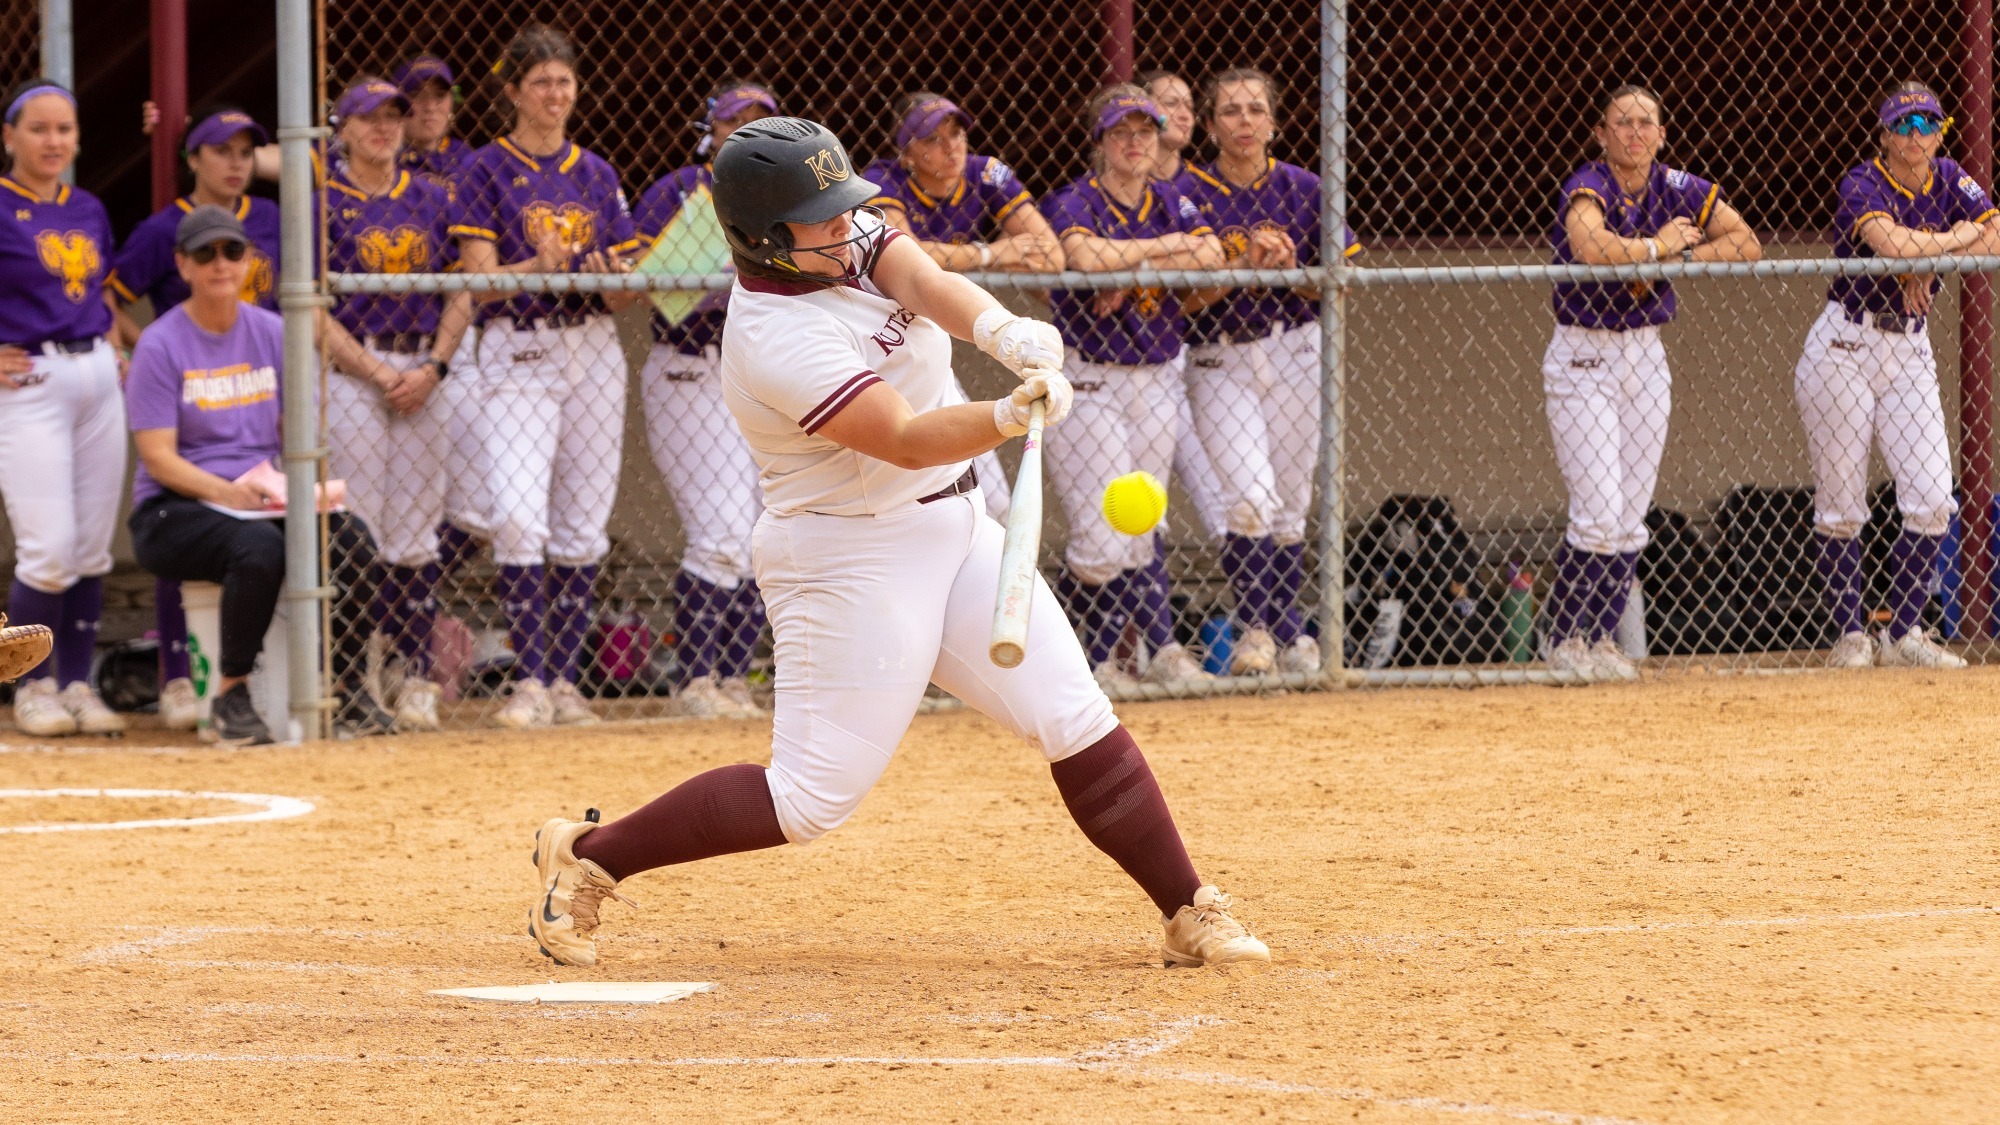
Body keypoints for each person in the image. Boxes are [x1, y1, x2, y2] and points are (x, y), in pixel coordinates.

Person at [526, 117, 1268, 971]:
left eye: (845, 207)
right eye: (823, 217)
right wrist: (1004, 414)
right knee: (808, 799)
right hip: (848, 556)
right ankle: (591, 855)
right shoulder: (773, 336)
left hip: (951, 524)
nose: (848, 225)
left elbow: (914, 271)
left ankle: (1186, 907)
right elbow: (906, 436)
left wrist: (999, 330)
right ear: (764, 239)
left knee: (1072, 712)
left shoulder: (840, 237)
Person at [125, 206, 394, 743]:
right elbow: (159, 458)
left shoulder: (274, 331)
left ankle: (346, 692)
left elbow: (299, 434)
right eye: (205, 254)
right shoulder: (161, 342)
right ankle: (230, 695)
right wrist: (230, 492)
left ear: (250, 261)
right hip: (174, 507)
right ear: (183, 265)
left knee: (356, 544)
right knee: (258, 549)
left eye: (232, 251)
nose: (220, 264)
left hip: (262, 496)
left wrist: (286, 484)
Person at [448, 24, 641, 729]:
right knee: (518, 515)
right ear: (512, 92)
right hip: (518, 345)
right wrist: (540, 267)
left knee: (582, 524)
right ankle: (530, 679)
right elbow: (477, 281)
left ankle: (564, 681)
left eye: (564, 81)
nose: (555, 95)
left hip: (592, 342)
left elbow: (625, 289)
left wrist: (609, 276)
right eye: (540, 83)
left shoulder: (596, 172)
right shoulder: (483, 168)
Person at [1541, 84, 1760, 679]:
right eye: (1622, 123)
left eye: (1645, 123)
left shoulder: (1678, 185)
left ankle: (1602, 640)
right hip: (1585, 353)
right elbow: (1590, 246)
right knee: (1597, 507)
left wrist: (1676, 260)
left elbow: (1745, 242)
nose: (1634, 133)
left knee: (1631, 511)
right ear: (1602, 134)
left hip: (1644, 354)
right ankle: (1564, 641)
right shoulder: (1589, 183)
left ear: (1662, 134)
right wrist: (1656, 245)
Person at [1795, 82, 1998, 669]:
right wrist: (1952, 243)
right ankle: (1852, 635)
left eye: (1927, 124)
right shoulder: (1863, 181)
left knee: (1934, 498)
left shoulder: (1952, 174)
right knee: (1840, 503)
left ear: (1940, 133)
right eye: (1903, 126)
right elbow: (1891, 245)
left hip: (1908, 348)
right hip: (1844, 344)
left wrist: (1928, 258)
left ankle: (1903, 632)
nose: (1916, 136)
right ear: (1884, 136)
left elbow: (1995, 227)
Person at [107, 106, 284, 732]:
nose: (235, 163)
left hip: (257, 451)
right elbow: (106, 290)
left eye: (246, 152)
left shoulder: (270, 225)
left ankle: (332, 684)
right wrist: (137, 345)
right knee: (230, 536)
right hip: (189, 468)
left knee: (340, 539)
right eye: (220, 150)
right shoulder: (163, 240)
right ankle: (200, 682)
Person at [1041, 86, 1225, 689]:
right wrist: (1158, 254)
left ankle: (1162, 650)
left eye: (1145, 132)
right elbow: (1084, 258)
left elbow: (1212, 254)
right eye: (1122, 132)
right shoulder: (1075, 198)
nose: (1135, 142)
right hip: (1091, 379)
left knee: (1141, 523)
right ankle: (1079, 661)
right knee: (1100, 538)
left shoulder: (1174, 197)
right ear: (1101, 141)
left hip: (1155, 378)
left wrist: (1133, 265)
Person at [1175, 68, 1356, 677]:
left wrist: (1290, 267)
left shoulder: (1305, 189)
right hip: (1219, 357)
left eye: (1256, 109)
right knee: (1248, 498)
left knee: (1289, 506)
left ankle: (1290, 634)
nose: (1244, 121)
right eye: (1230, 111)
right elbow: (1180, 303)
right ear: (1210, 125)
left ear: (1275, 123)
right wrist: (1238, 269)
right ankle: (1260, 630)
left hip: (1296, 349)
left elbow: (1337, 287)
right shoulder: (1186, 193)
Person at [320, 77, 475, 730]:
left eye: (393, 116)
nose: (383, 127)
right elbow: (310, 311)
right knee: (360, 528)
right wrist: (379, 370)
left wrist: (436, 365)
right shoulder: (322, 200)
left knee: (416, 531)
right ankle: (356, 674)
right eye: (368, 118)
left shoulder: (434, 196)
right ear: (343, 129)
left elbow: (462, 289)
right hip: (354, 368)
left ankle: (412, 673)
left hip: (424, 364)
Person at [630, 80, 778, 720]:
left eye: (759, 122)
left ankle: (730, 678)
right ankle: (694, 679)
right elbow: (641, 279)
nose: (745, 131)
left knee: (760, 533)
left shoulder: (790, 197)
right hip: (690, 367)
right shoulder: (677, 191)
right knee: (718, 532)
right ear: (709, 132)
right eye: (733, 123)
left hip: (761, 375)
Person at [861, 91, 1064, 525]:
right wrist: (994, 253)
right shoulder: (883, 178)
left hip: (924, 344)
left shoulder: (985, 172)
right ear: (907, 153)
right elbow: (907, 256)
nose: (950, 147)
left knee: (993, 505)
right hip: (879, 346)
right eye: (931, 139)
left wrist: (962, 255)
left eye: (955, 134)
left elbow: (1051, 255)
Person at [0, 79, 128, 736]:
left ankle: (76, 681)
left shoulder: (88, 207)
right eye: (39, 128)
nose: (54, 141)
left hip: (95, 374)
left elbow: (98, 292)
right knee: (46, 547)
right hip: (29, 380)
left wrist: (114, 342)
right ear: (10, 137)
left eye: (65, 130)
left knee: (89, 546)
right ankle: (33, 685)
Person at [1141, 68, 1233, 547]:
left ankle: (1259, 617)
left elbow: (1217, 274)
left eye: (1188, 107)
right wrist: (1171, 255)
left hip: (1193, 353)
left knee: (1219, 496)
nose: (1180, 113)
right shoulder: (1111, 185)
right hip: (1125, 355)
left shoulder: (1203, 188)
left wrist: (1144, 269)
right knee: (1140, 500)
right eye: (1167, 102)